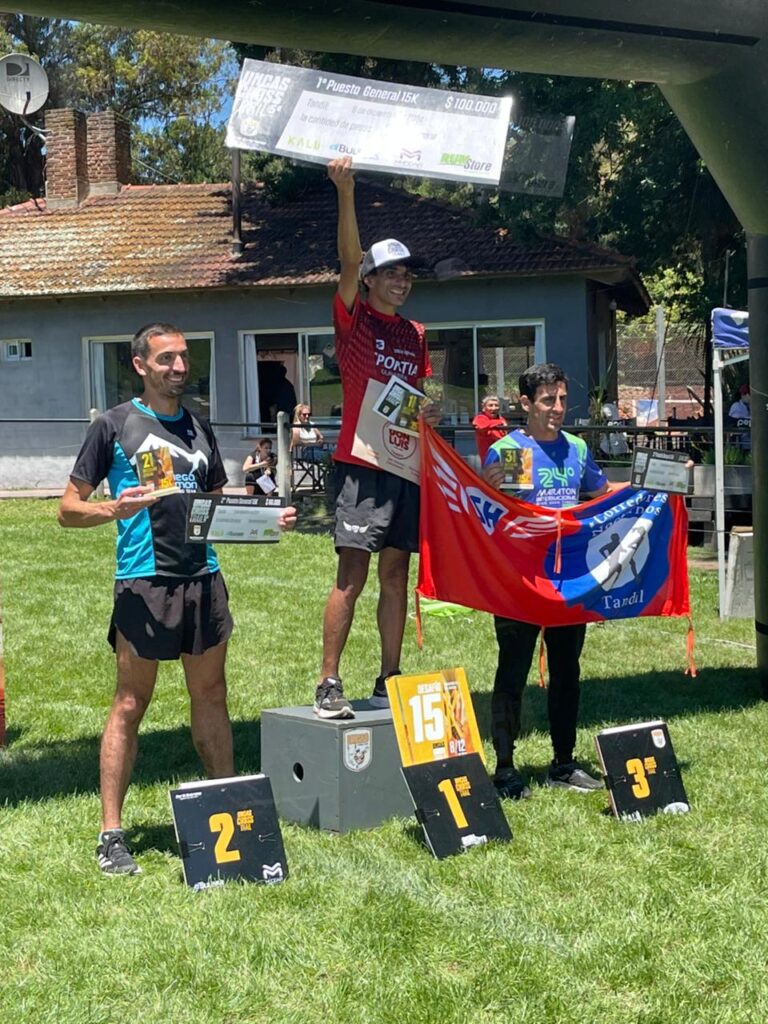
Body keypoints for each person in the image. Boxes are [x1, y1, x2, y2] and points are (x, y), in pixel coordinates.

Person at [58, 322, 296, 875]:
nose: (180, 368)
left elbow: (215, 503)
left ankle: (229, 812)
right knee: (129, 704)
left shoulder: (198, 426)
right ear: (141, 365)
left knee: (212, 694)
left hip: (203, 577)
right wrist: (111, 510)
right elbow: (68, 508)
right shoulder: (114, 426)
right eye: (167, 359)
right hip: (144, 581)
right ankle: (111, 833)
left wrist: (266, 516)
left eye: (185, 358)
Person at [314, 156, 439, 720]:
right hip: (359, 465)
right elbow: (346, 257)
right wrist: (347, 192)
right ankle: (328, 681)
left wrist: (427, 423)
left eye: (407, 274)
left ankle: (390, 676)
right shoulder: (355, 317)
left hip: (403, 468)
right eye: (391, 272)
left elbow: (413, 401)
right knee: (352, 575)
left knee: (396, 575)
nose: (402, 280)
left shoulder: (415, 333)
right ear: (369, 281)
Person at [482, 362, 609, 798]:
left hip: (568, 582)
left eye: (561, 399)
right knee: (512, 672)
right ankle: (504, 769)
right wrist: (489, 487)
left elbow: (602, 497)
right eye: (546, 400)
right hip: (519, 581)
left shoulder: (575, 447)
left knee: (567, 672)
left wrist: (656, 487)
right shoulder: (511, 450)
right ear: (525, 404)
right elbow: (501, 512)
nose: (557, 408)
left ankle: (563, 763)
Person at [472, 395, 508, 461]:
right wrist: (499, 422)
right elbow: (482, 426)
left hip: (504, 455)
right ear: (484, 408)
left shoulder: (502, 419)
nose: (494, 408)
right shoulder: (480, 418)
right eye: (490, 405)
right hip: (489, 457)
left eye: (496, 405)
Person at [728, 383, 751, 451]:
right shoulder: (736, 406)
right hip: (741, 441)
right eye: (747, 395)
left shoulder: (751, 406)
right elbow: (736, 423)